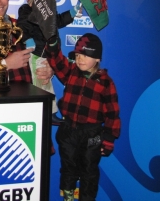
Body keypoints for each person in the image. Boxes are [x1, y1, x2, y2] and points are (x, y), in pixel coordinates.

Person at [44, 33, 120, 201]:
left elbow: (112, 113)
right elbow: (57, 61)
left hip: (92, 134)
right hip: (68, 130)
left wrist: (108, 138)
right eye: (77, 55)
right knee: (68, 168)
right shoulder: (71, 73)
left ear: (98, 58)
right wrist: (53, 43)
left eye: (85, 55)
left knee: (89, 171)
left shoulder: (105, 82)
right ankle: (68, 197)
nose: (80, 59)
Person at [16, 0, 82, 125]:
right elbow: (21, 27)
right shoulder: (26, 11)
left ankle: (49, 112)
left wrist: (72, 13)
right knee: (41, 84)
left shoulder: (49, 12)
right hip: (37, 54)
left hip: (50, 54)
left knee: (46, 85)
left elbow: (59, 20)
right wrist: (27, 40)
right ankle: (45, 112)